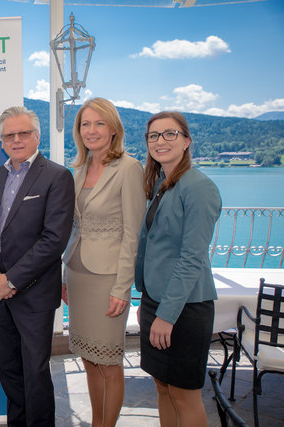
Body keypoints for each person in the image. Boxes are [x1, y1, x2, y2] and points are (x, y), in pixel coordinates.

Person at [0, 106, 74, 427]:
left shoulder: (57, 176)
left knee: (35, 372)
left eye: (23, 133)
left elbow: (53, 239)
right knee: (8, 369)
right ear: (1, 142)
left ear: (36, 136)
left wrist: (11, 280)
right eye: (9, 135)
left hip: (33, 295)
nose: (16, 140)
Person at [61, 98, 146, 427]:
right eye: (85, 124)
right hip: (79, 275)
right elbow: (71, 227)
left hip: (109, 280)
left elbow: (132, 234)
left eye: (98, 123)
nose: (91, 130)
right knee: (89, 358)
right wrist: (63, 278)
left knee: (109, 361)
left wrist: (122, 288)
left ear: (113, 129)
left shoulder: (129, 168)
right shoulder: (79, 170)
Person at [135, 111, 221, 426]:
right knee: (162, 386)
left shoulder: (199, 187)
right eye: (153, 135)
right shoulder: (161, 182)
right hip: (155, 300)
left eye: (169, 134)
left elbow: (191, 257)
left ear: (186, 141)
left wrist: (166, 316)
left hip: (184, 308)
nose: (160, 141)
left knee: (184, 394)